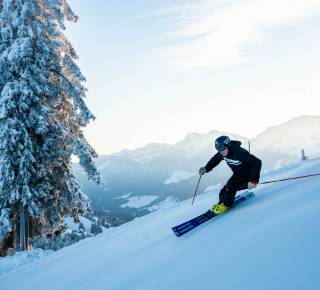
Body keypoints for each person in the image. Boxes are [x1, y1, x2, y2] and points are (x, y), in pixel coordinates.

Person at [199, 136, 262, 214]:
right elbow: (215, 160)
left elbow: (257, 162)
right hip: (237, 175)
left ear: (228, 145)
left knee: (231, 186)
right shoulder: (223, 153)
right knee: (223, 191)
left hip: (248, 177)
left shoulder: (239, 153)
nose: (221, 151)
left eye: (222, 148)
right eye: (218, 149)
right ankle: (221, 203)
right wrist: (206, 169)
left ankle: (226, 204)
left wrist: (254, 181)